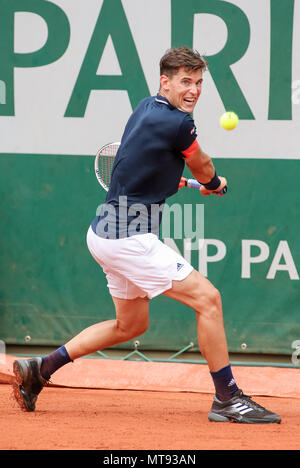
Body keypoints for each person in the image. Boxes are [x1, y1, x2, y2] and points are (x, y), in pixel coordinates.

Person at [12, 46, 281, 424]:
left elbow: (144, 165)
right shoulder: (178, 123)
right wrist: (212, 181)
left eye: (199, 82)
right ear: (165, 81)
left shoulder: (146, 108)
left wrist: (187, 182)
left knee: (131, 325)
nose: (194, 90)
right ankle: (227, 398)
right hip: (128, 239)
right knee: (209, 300)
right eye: (186, 81)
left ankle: (39, 369)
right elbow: (202, 163)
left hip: (103, 234)